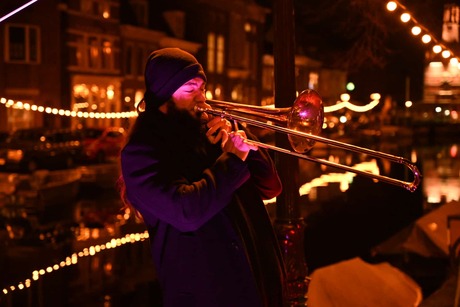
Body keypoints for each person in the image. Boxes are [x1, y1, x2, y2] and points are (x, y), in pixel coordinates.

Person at [119, 47, 287, 307]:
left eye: (202, 88)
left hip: (257, 284)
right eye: (190, 89)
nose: (202, 99)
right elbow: (186, 212)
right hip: (207, 294)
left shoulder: (210, 133)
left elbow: (270, 188)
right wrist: (232, 159)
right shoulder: (142, 152)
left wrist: (243, 142)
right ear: (164, 95)